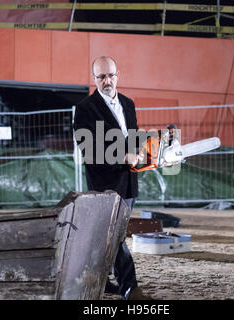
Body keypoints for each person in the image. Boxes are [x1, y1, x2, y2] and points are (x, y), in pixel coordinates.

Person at [73, 56, 149, 300]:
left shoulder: (128, 103)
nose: (107, 81)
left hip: (128, 184)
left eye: (110, 75)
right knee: (115, 237)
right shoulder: (85, 108)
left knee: (106, 238)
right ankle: (130, 287)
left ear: (118, 75)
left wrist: (142, 153)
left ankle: (101, 281)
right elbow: (89, 149)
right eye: (101, 76)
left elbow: (135, 135)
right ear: (94, 79)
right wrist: (122, 157)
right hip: (104, 186)